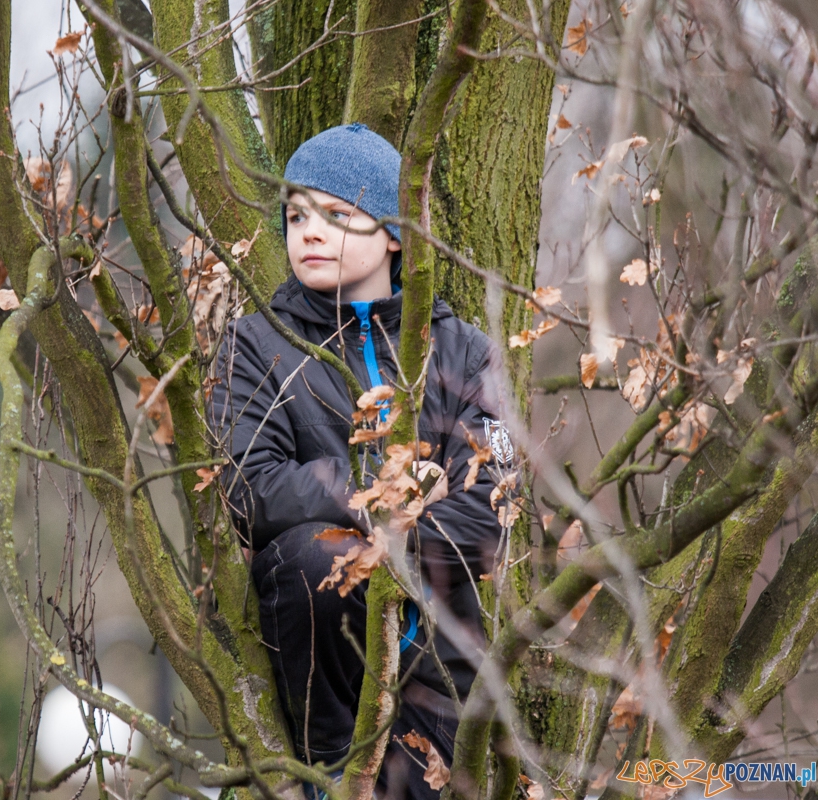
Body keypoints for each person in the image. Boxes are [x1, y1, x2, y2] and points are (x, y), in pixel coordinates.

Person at [209, 123, 509, 800]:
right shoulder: (257, 344)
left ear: (394, 234)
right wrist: (386, 499)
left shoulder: (460, 350)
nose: (309, 232)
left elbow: (494, 507)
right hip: (321, 659)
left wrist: (398, 544)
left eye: (337, 215)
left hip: (437, 647)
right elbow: (250, 489)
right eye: (295, 216)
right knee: (315, 552)